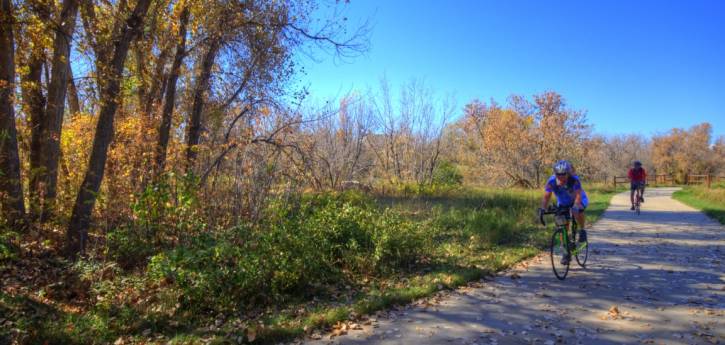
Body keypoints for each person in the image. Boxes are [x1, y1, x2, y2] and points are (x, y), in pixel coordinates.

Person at [538, 160, 588, 265]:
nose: (561, 176)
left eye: (563, 174)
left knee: (577, 211)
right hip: (563, 203)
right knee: (561, 225)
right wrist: (542, 209)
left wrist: (575, 206)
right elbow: (547, 196)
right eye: (558, 174)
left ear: (568, 173)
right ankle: (566, 252)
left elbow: (578, 195)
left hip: (578, 200)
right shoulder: (551, 181)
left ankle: (582, 230)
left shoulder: (574, 180)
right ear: (555, 173)